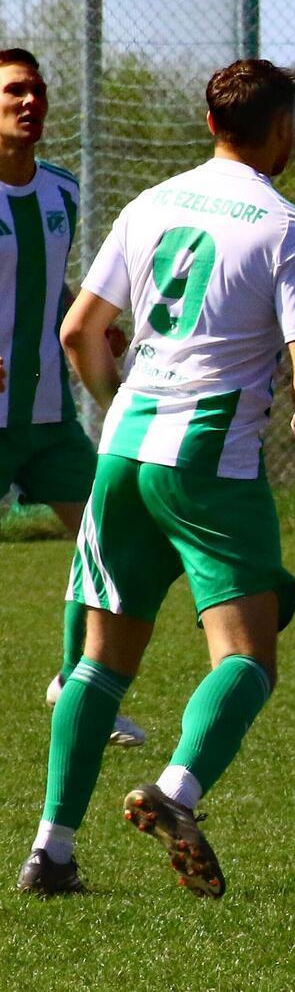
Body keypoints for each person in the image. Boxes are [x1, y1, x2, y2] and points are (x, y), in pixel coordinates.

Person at [18, 58, 295, 898]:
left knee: (98, 663)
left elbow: (80, 331)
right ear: (283, 128)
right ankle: (176, 790)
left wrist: (118, 405)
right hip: (208, 463)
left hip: (124, 450)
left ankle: (51, 851)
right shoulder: (290, 228)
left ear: (209, 124)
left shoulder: (150, 203)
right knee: (247, 657)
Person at [0, 47, 145, 751]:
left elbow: (47, 281)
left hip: (50, 416)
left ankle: (78, 682)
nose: (30, 101)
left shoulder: (62, 189)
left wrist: (93, 327)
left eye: (37, 89)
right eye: (13, 91)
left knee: (108, 535)